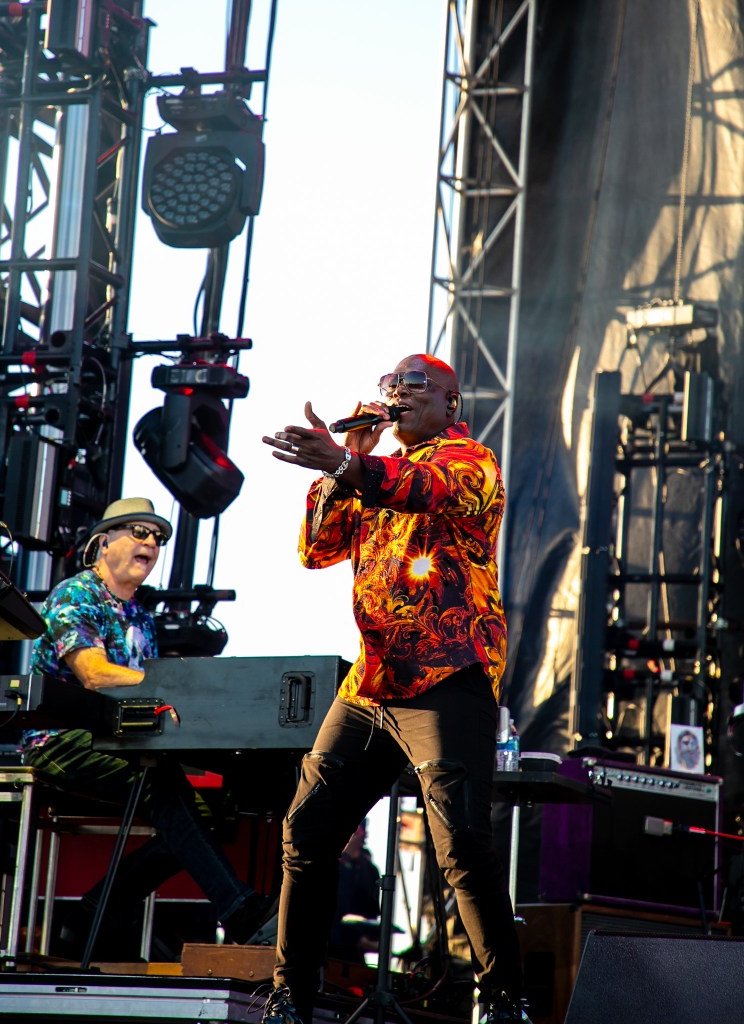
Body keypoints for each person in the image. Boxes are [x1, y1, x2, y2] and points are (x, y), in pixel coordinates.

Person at [260, 354, 530, 1024]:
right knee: (307, 830)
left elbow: (421, 490)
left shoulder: (471, 462)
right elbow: (317, 549)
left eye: (412, 385)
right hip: (372, 684)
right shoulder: (370, 470)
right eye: (388, 386)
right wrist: (339, 466)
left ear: (450, 402)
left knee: (461, 845)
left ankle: (504, 1001)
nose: (396, 394)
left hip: (445, 676)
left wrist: (349, 464)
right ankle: (290, 998)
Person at [24, 497, 268, 959]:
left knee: (212, 813)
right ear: (103, 542)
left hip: (121, 743)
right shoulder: (75, 595)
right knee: (161, 784)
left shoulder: (140, 615)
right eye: (139, 532)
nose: (152, 543)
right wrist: (175, 690)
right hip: (59, 741)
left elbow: (148, 696)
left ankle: (93, 913)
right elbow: (94, 674)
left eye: (157, 537)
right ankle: (241, 912)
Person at [328, 822, 381, 964]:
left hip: (353, 950)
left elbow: (372, 912)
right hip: (330, 945)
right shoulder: (331, 864)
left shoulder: (370, 870)